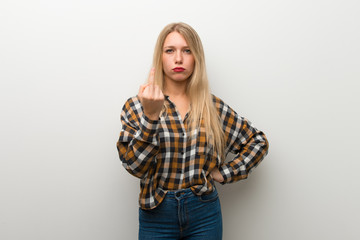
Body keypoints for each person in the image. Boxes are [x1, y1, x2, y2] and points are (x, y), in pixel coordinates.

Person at [116, 22, 269, 240]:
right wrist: (150, 117)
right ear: (160, 57)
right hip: (156, 215)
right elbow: (135, 168)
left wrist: (223, 173)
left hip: (204, 214)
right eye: (170, 50)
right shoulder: (137, 106)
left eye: (187, 50)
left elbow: (257, 142)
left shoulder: (213, 107)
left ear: (196, 57)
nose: (178, 59)